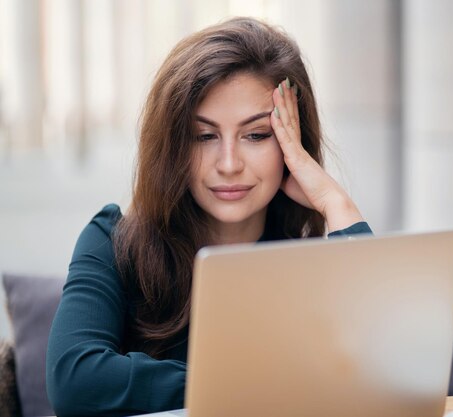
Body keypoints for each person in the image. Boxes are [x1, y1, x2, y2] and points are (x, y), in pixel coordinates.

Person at [46, 16, 371, 417]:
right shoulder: (112, 240)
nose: (229, 164)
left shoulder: (306, 260)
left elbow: (377, 377)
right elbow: (74, 383)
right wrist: (256, 386)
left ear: (292, 143)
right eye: (204, 136)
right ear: (172, 147)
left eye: (256, 135)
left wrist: (336, 203)